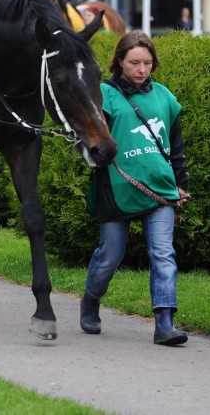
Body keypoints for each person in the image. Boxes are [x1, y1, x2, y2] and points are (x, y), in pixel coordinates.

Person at [80, 30, 191, 346]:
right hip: (116, 189)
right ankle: (90, 300)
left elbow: (176, 146)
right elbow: (92, 140)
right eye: (134, 63)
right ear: (119, 62)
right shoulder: (105, 95)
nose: (142, 70)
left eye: (147, 63)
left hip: (159, 191)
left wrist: (181, 184)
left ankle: (165, 323)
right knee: (111, 254)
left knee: (162, 252)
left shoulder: (165, 97)